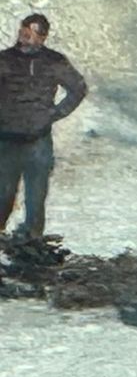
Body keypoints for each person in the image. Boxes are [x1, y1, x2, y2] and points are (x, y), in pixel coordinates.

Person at [0, 13, 89, 240]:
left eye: (31, 32)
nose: (25, 36)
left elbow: (78, 88)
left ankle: (32, 240)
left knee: (36, 195)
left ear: (43, 37)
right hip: (8, 138)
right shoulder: (5, 60)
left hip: (39, 140)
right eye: (23, 30)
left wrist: (55, 113)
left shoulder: (54, 61)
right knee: (4, 193)